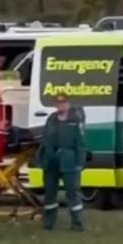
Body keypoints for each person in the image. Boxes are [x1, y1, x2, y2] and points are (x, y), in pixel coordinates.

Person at [37, 93, 87, 231]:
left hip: (69, 162)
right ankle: (48, 223)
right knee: (49, 193)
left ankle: (77, 224)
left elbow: (81, 144)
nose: (60, 104)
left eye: (63, 102)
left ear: (68, 103)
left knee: (73, 193)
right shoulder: (51, 119)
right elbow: (45, 141)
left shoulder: (75, 120)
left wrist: (79, 163)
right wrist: (43, 159)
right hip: (51, 162)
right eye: (58, 102)